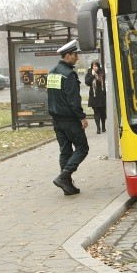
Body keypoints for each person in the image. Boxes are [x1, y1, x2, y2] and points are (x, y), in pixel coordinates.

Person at [47, 39, 89, 196]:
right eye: (75, 55)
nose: (77, 58)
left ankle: (67, 186)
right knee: (82, 148)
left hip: (57, 120)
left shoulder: (52, 72)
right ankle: (64, 177)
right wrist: (82, 117)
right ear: (68, 56)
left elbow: (53, 96)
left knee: (65, 151)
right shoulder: (69, 74)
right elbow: (73, 100)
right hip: (70, 120)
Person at [84, 60, 107, 134]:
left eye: (97, 66)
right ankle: (98, 128)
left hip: (101, 95)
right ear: (92, 67)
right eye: (94, 66)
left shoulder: (102, 72)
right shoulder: (89, 73)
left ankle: (103, 126)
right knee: (96, 112)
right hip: (94, 95)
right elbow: (87, 82)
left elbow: (103, 82)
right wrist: (92, 75)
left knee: (102, 112)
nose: (96, 68)